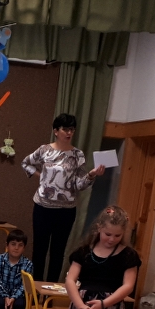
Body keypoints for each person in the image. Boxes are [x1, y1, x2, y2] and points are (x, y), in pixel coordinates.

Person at [21, 114, 104, 282]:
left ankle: (50, 292)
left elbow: (79, 185)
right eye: (65, 129)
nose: (69, 133)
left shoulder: (77, 155)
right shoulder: (44, 150)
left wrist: (91, 174)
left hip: (66, 210)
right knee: (39, 250)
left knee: (58, 252)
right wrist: (41, 176)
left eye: (72, 129)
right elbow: (25, 163)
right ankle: (35, 290)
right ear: (56, 131)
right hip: (43, 207)